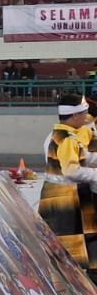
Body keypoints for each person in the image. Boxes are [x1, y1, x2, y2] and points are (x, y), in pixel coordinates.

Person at [39, 93, 97, 283]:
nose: (87, 118)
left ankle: (77, 278)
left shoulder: (65, 134)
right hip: (63, 195)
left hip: (67, 192)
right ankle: (65, 283)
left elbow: (85, 157)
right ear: (74, 116)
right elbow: (71, 170)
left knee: (80, 239)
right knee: (66, 241)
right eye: (84, 114)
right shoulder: (66, 138)